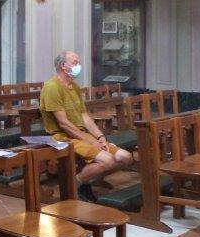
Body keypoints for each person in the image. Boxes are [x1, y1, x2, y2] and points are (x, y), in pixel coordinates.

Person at [40, 51, 133, 203]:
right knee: (108, 161)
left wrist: (100, 137)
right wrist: (91, 141)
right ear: (63, 66)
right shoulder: (52, 87)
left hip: (81, 134)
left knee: (125, 157)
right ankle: (74, 184)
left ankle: (86, 181)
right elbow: (64, 123)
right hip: (62, 137)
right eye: (75, 62)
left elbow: (84, 116)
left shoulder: (75, 87)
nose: (79, 66)